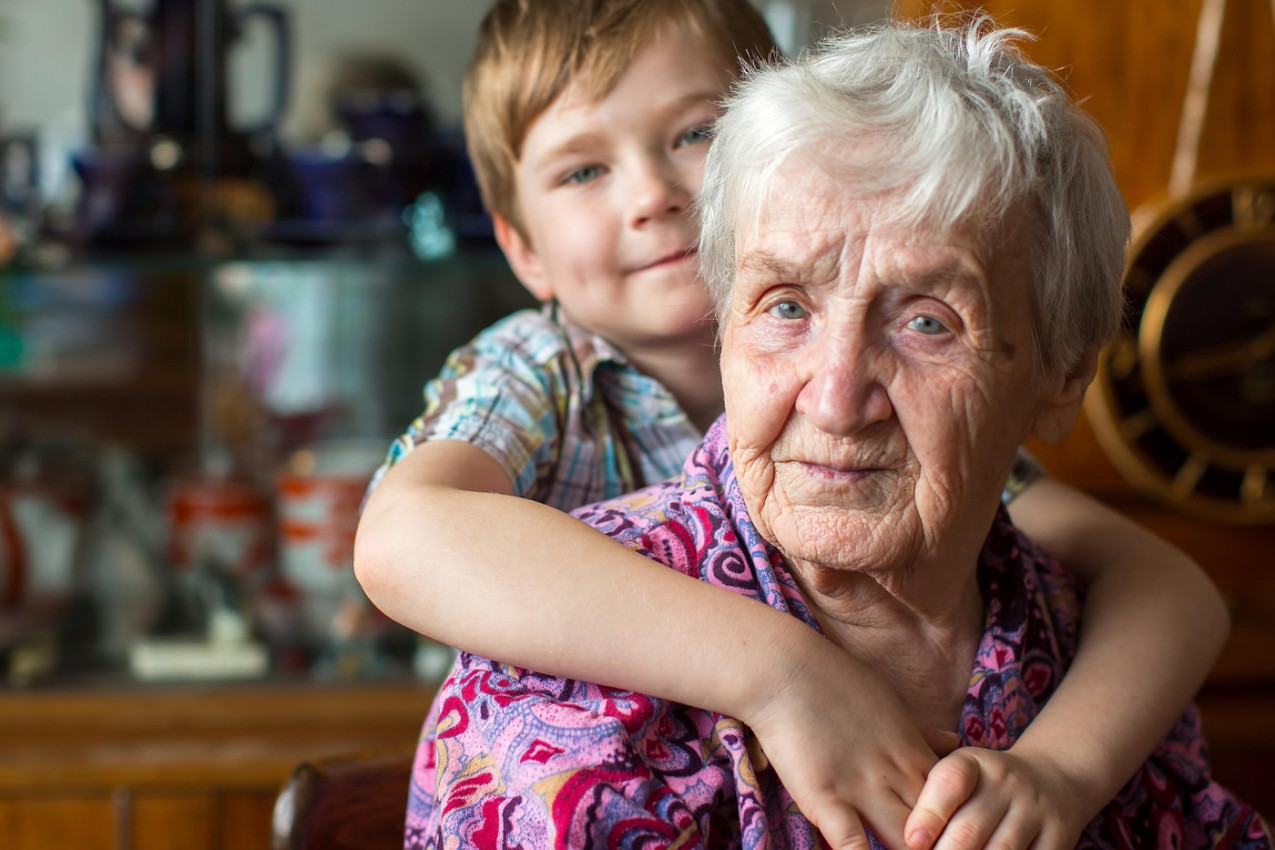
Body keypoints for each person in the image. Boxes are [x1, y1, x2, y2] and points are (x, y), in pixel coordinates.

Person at [352, 3, 1235, 847]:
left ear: (1055, 375)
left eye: (926, 321)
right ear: (521, 248)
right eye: (783, 308)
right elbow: (404, 538)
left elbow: (1160, 585)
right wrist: (781, 673)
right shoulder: (537, 368)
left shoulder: (995, 531)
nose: (834, 402)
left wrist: (1066, 771)